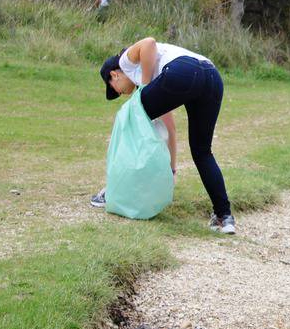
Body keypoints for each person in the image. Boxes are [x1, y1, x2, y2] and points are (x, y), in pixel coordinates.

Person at [99, 38, 235, 234]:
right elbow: (169, 128)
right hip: (211, 77)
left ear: (114, 75)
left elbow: (149, 43)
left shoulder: (124, 62)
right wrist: (171, 170)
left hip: (183, 71)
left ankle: (115, 190)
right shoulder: (160, 83)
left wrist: (145, 86)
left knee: (128, 118)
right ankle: (224, 217)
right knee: (202, 151)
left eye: (114, 89)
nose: (120, 94)